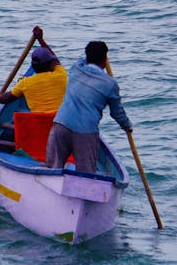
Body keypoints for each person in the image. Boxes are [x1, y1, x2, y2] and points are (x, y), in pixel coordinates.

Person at [46, 40, 132, 173]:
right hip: (84, 131)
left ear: (87, 57)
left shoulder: (76, 68)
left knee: (54, 168)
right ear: (105, 59)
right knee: (86, 174)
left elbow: (82, 60)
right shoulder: (110, 84)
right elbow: (117, 112)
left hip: (61, 123)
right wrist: (127, 126)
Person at [0, 27, 67, 113]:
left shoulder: (25, 83)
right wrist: (40, 39)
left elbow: (7, 97)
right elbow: (55, 59)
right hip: (60, 123)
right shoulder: (60, 74)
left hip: (39, 123)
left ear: (33, 66)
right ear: (51, 64)